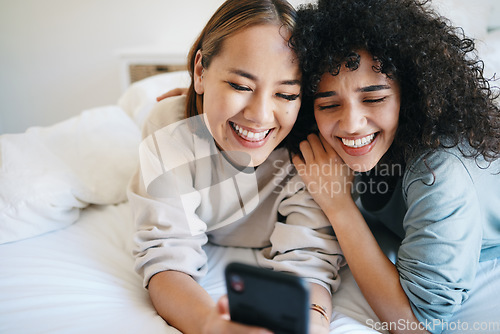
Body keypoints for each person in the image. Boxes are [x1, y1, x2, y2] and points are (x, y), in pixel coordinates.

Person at [127, 1, 346, 333]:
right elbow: (166, 253)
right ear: (200, 72)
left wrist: (311, 322)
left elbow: (311, 263)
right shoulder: (170, 130)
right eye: (241, 86)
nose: (259, 115)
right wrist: (211, 324)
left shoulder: (310, 148)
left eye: (286, 95)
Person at [289, 0, 500, 333]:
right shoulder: (326, 135)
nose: (352, 124)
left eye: (374, 98)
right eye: (329, 104)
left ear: (411, 92)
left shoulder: (440, 175)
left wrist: (338, 205)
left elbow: (415, 325)